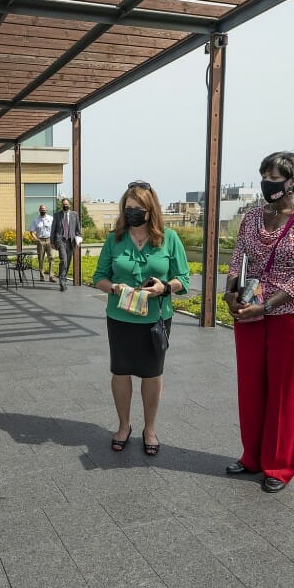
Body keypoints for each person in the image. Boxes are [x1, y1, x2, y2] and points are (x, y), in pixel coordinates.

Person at [223, 151, 294, 493]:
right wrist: (230, 294)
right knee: (250, 386)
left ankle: (278, 466)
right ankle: (251, 456)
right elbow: (239, 258)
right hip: (249, 310)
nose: (268, 182)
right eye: (264, 174)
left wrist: (266, 306)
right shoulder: (252, 217)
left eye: (275, 175)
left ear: (293, 180)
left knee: (284, 391)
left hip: (290, 315)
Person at [92, 180, 190, 456]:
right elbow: (98, 277)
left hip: (156, 319)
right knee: (120, 371)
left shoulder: (169, 238)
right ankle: (124, 426)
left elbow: (183, 277)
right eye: (128, 208)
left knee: (152, 373)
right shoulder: (115, 239)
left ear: (151, 210)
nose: (132, 212)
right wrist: (113, 287)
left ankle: (150, 429)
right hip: (120, 317)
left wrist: (164, 288)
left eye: (138, 208)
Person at [51, 198, 81, 291]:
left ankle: (63, 276)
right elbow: (53, 229)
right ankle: (62, 281)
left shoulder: (74, 215)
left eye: (66, 204)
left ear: (69, 205)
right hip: (61, 241)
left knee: (67, 262)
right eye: (63, 204)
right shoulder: (57, 215)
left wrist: (78, 239)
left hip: (70, 241)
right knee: (63, 260)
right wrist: (52, 241)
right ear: (62, 205)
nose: (65, 206)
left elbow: (78, 230)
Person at [29, 204, 54, 281]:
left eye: (44, 209)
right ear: (39, 210)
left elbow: (55, 229)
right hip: (40, 241)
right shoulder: (36, 220)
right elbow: (32, 231)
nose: (43, 210)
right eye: (41, 209)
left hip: (49, 240)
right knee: (41, 259)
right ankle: (42, 276)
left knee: (52, 258)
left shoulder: (51, 218)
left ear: (46, 210)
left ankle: (51, 276)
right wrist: (36, 239)